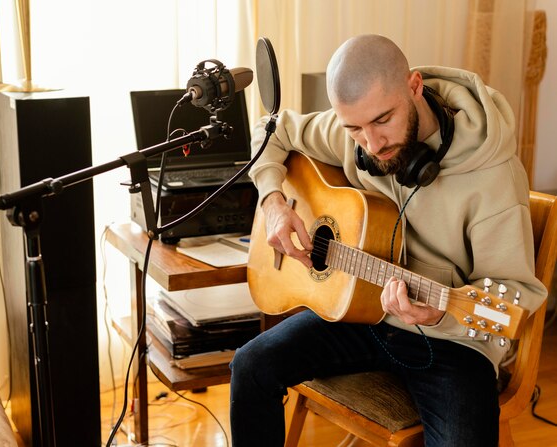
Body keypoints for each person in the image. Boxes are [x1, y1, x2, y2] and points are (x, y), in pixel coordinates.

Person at [229, 34, 547, 446]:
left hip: (454, 342)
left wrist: (440, 315)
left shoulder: (493, 178)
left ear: (414, 86)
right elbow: (271, 131)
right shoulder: (355, 133)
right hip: (363, 315)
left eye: (383, 120)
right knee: (251, 365)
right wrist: (273, 201)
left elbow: (513, 299)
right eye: (354, 129)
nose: (372, 144)